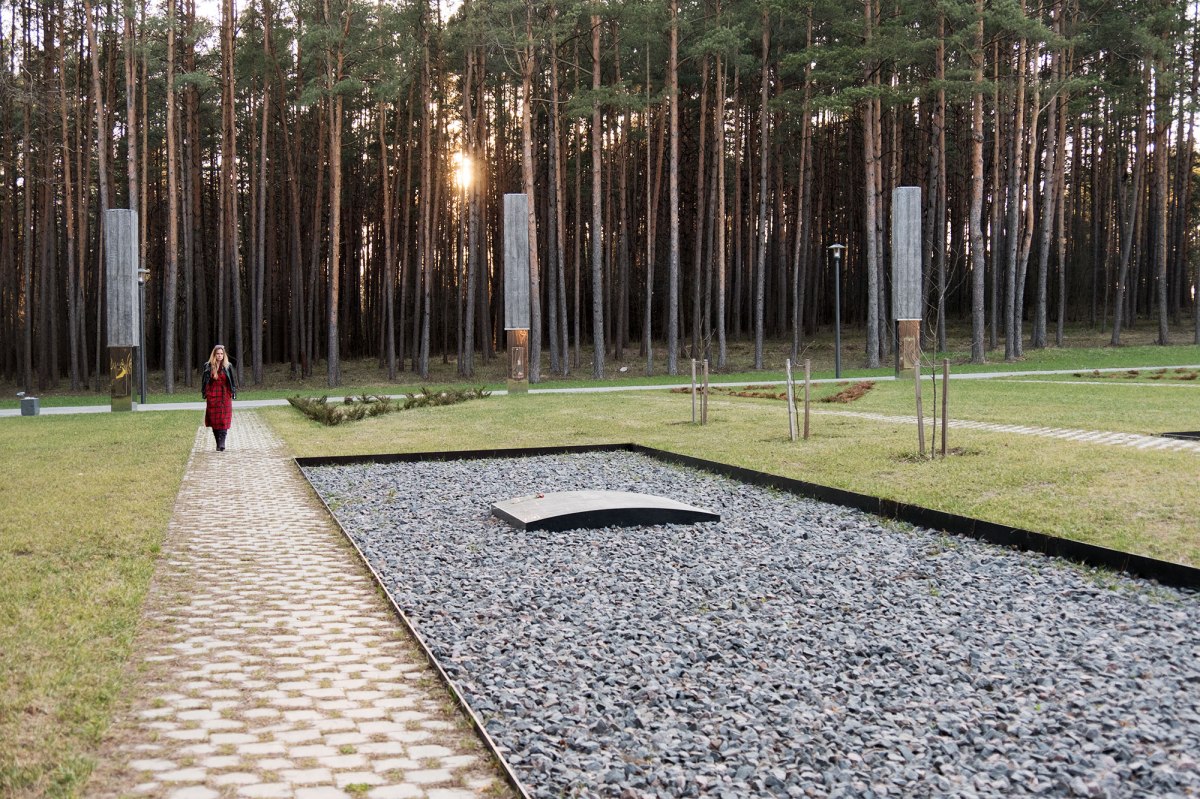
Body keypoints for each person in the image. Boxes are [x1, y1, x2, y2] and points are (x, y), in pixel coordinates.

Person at [201, 344, 238, 451]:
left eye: (221, 354)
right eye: (218, 354)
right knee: (214, 419)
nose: (220, 355)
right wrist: (205, 393)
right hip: (213, 394)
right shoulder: (208, 366)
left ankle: (222, 443)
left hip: (225, 394)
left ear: (224, 355)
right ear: (214, 354)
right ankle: (218, 442)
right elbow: (204, 381)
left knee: (223, 419)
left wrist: (233, 392)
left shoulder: (228, 366)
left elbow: (232, 381)